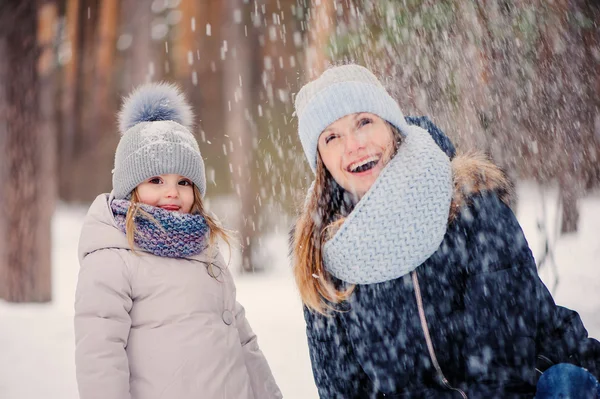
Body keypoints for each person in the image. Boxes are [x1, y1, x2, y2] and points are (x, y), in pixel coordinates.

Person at [291, 64, 600, 398]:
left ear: (392, 127)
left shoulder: (468, 203)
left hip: (543, 380)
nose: (353, 145)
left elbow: (504, 362)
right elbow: (341, 389)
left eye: (364, 121)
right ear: (321, 159)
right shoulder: (323, 255)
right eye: (332, 137)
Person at [74, 83, 282, 399]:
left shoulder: (203, 250)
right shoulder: (114, 255)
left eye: (183, 182)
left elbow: (242, 340)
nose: (172, 192)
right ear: (131, 188)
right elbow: (99, 354)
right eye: (156, 180)